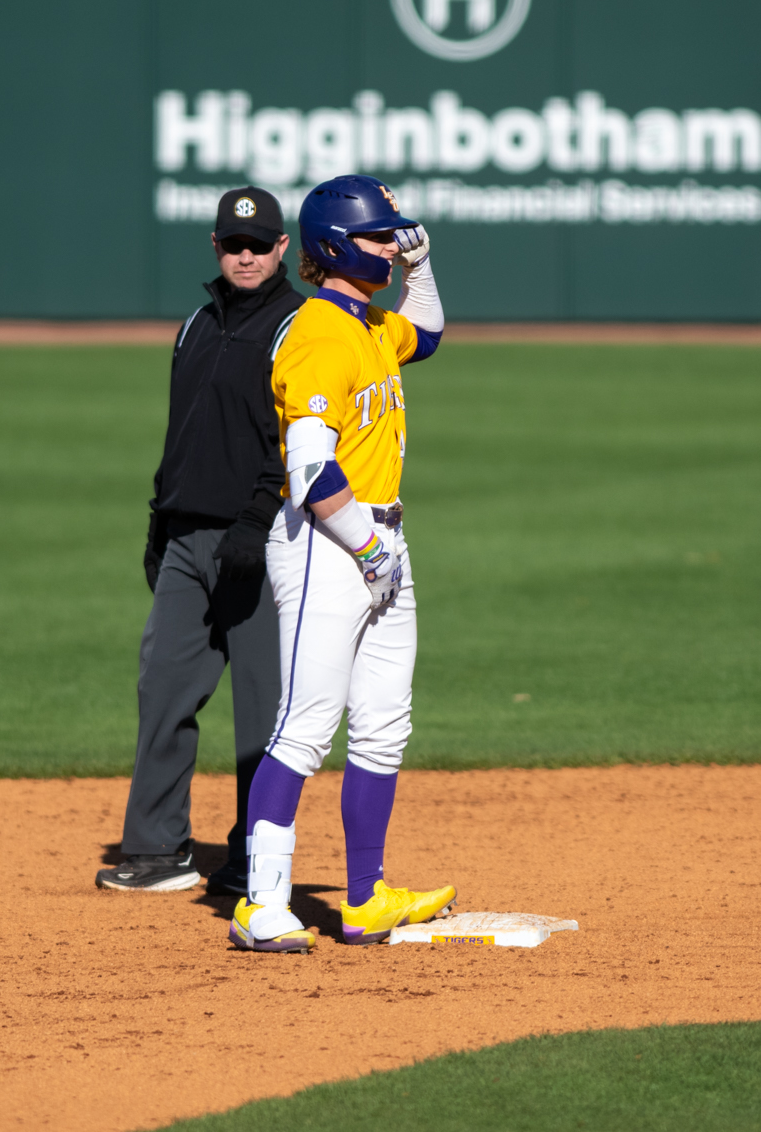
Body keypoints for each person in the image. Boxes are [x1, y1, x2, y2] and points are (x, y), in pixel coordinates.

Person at [224, 175, 453, 953]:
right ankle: (261, 903)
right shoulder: (320, 333)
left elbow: (427, 335)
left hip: (379, 543)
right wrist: (366, 543)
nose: (392, 243)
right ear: (331, 246)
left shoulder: (367, 322)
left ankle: (365, 898)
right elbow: (310, 467)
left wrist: (420, 268)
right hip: (330, 546)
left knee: (384, 725)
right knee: (305, 726)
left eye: (393, 233)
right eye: (378, 235)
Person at [96, 186, 306, 896]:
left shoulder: (298, 326)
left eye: (259, 244)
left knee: (261, 706)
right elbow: (182, 431)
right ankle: (158, 849)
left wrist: (255, 519)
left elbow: (300, 439)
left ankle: (257, 856)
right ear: (216, 246)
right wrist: (162, 517)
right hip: (187, 538)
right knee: (163, 687)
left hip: (264, 539)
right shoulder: (196, 322)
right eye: (233, 243)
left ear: (284, 248)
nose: (246, 255)